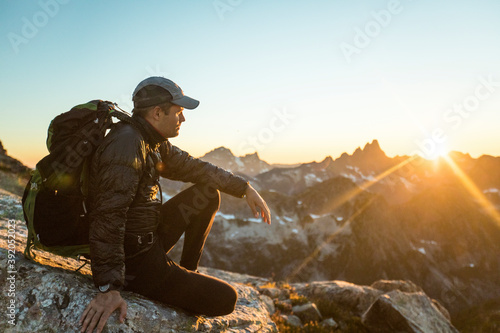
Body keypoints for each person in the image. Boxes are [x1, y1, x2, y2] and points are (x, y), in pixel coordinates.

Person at [79, 77, 271, 333]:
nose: (183, 119)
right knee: (226, 299)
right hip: (135, 262)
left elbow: (195, 168)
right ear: (158, 113)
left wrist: (243, 188)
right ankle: (163, 279)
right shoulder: (127, 145)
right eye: (179, 112)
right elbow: (107, 217)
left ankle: (187, 272)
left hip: (146, 236)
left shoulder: (150, 140)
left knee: (208, 194)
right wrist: (109, 288)